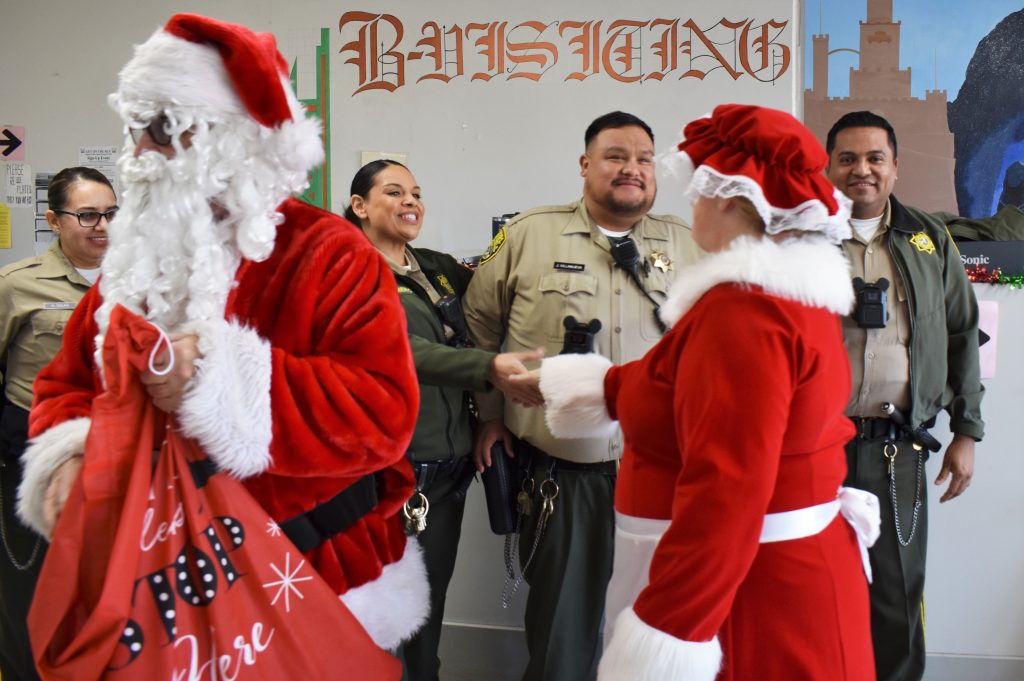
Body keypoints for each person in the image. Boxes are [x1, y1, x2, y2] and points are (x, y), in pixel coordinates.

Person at [16, 14, 427, 654]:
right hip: (162, 585)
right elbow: (67, 383)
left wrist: (215, 374)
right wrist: (69, 456)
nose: (139, 153)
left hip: (313, 578)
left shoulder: (329, 251)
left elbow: (382, 411)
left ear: (230, 139)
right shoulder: (132, 261)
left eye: (161, 129)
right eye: (134, 129)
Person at [532, 104, 879, 680]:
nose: (691, 200)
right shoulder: (783, 298)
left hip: (750, 596)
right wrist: (579, 387)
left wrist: (670, 627)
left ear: (727, 197)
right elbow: (675, 385)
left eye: (698, 187)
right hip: (780, 575)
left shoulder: (743, 312)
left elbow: (728, 486)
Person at [462, 111, 702, 680]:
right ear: (586, 164)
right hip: (560, 477)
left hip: (661, 473)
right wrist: (492, 416)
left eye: (644, 158)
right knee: (562, 634)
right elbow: (479, 325)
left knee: (655, 630)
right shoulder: (528, 234)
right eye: (617, 156)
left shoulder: (688, 244)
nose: (632, 169)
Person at [345, 159, 542, 680]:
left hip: (447, 474)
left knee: (427, 613)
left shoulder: (432, 266)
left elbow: (487, 303)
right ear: (359, 206)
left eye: (416, 192)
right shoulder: (344, 272)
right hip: (380, 477)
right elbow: (397, 351)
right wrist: (489, 370)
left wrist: (526, 240)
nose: (411, 202)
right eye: (394, 192)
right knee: (375, 618)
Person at [825, 110, 985, 681]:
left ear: (895, 167)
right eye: (847, 158)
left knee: (896, 597)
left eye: (874, 158)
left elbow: (964, 332)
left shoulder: (928, 239)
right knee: (817, 594)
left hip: (897, 451)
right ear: (829, 167)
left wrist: (966, 432)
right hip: (815, 451)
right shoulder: (801, 238)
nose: (860, 170)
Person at [0, 166, 114, 681]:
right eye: (87, 214)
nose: (102, 225)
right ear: (52, 219)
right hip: (36, 461)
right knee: (33, 594)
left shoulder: (138, 281)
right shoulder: (18, 284)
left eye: (112, 213)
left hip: (118, 464)